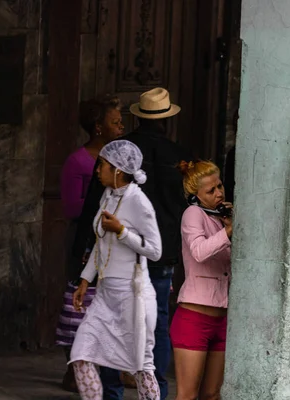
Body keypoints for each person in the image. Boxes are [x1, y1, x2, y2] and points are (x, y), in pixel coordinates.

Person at [72, 87, 191, 400]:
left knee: (122, 331)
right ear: (166, 119)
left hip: (135, 256)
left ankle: (117, 393)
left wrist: (85, 252)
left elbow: (91, 213)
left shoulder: (121, 152)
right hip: (155, 258)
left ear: (137, 116)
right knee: (155, 328)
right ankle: (157, 392)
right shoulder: (177, 155)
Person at [70, 140, 162, 400]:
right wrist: (85, 280)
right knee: (81, 355)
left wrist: (122, 232)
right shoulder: (107, 196)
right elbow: (100, 245)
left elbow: (155, 251)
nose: (97, 170)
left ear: (118, 170)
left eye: (102, 165)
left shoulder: (138, 201)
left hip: (133, 295)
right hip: (104, 294)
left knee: (142, 366)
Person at [56, 94, 124, 392]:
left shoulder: (119, 162)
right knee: (79, 305)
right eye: (115, 122)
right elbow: (72, 207)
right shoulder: (79, 161)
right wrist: (105, 205)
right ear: (98, 127)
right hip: (87, 240)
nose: (121, 127)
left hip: (113, 243)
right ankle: (74, 367)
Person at [171, 160, 233, 400]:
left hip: (222, 318)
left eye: (220, 186)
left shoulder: (220, 218)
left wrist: (229, 226)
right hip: (194, 319)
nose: (219, 193)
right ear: (195, 197)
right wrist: (227, 232)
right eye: (211, 191)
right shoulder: (192, 214)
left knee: (212, 394)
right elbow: (198, 250)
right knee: (187, 395)